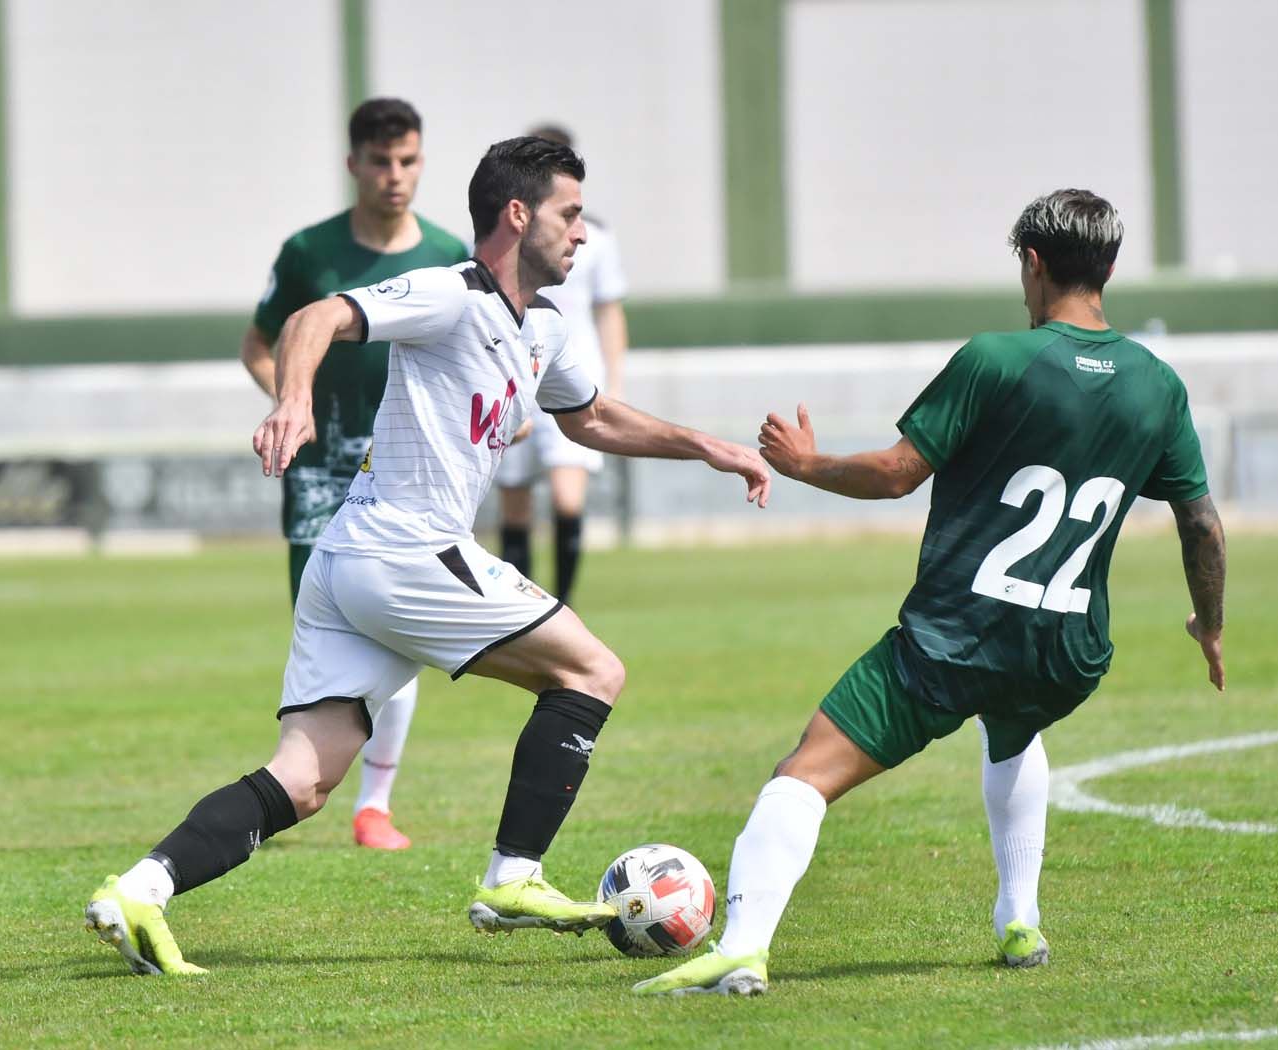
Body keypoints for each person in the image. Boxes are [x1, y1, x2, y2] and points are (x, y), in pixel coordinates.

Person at [83, 136, 771, 976]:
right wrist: (294, 400)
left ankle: (140, 890)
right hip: (406, 550)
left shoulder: (544, 328)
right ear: (518, 215)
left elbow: (591, 419)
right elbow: (315, 317)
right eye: (569, 213)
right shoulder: (454, 295)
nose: (582, 233)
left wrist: (708, 445)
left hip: (352, 564)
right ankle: (513, 878)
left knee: (304, 777)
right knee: (592, 672)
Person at [634, 188, 1227, 996]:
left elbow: (894, 475)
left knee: (801, 773)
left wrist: (805, 465)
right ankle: (1019, 920)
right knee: (1013, 730)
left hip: (955, 638)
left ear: (1032, 263)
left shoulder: (996, 358)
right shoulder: (1157, 384)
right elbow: (1200, 523)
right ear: (1112, 268)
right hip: (1065, 651)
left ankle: (741, 945)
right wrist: (1209, 623)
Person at [241, 98, 467, 852]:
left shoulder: (446, 253)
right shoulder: (308, 251)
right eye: (379, 161)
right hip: (318, 474)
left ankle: (374, 804)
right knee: (327, 637)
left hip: (409, 478)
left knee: (395, 630)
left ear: (421, 161)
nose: (394, 176)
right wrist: (291, 402)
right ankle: (301, 778)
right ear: (353, 165)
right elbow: (258, 344)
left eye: (406, 161)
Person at [495, 125, 629, 605]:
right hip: (516, 375)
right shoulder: (508, 229)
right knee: (515, 504)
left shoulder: (595, 236)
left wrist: (614, 381)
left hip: (575, 375)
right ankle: (517, 608)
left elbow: (608, 310)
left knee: (568, 499)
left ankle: (562, 604)